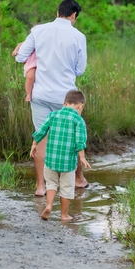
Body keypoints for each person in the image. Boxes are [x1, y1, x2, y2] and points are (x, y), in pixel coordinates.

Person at [15, 0, 88, 196]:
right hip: (65, 97)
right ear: (73, 15)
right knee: (73, 138)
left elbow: (20, 56)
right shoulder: (78, 36)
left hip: (40, 95)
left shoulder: (38, 31)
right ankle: (78, 180)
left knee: (41, 140)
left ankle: (41, 187)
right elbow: (80, 70)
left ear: (58, 12)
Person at [30, 90, 91, 221]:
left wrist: (34, 144)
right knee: (66, 188)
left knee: (51, 184)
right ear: (81, 106)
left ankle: (49, 206)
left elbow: (41, 131)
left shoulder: (53, 115)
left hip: (51, 160)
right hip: (68, 163)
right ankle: (64, 215)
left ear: (64, 103)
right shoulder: (78, 121)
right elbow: (80, 142)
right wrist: (82, 157)